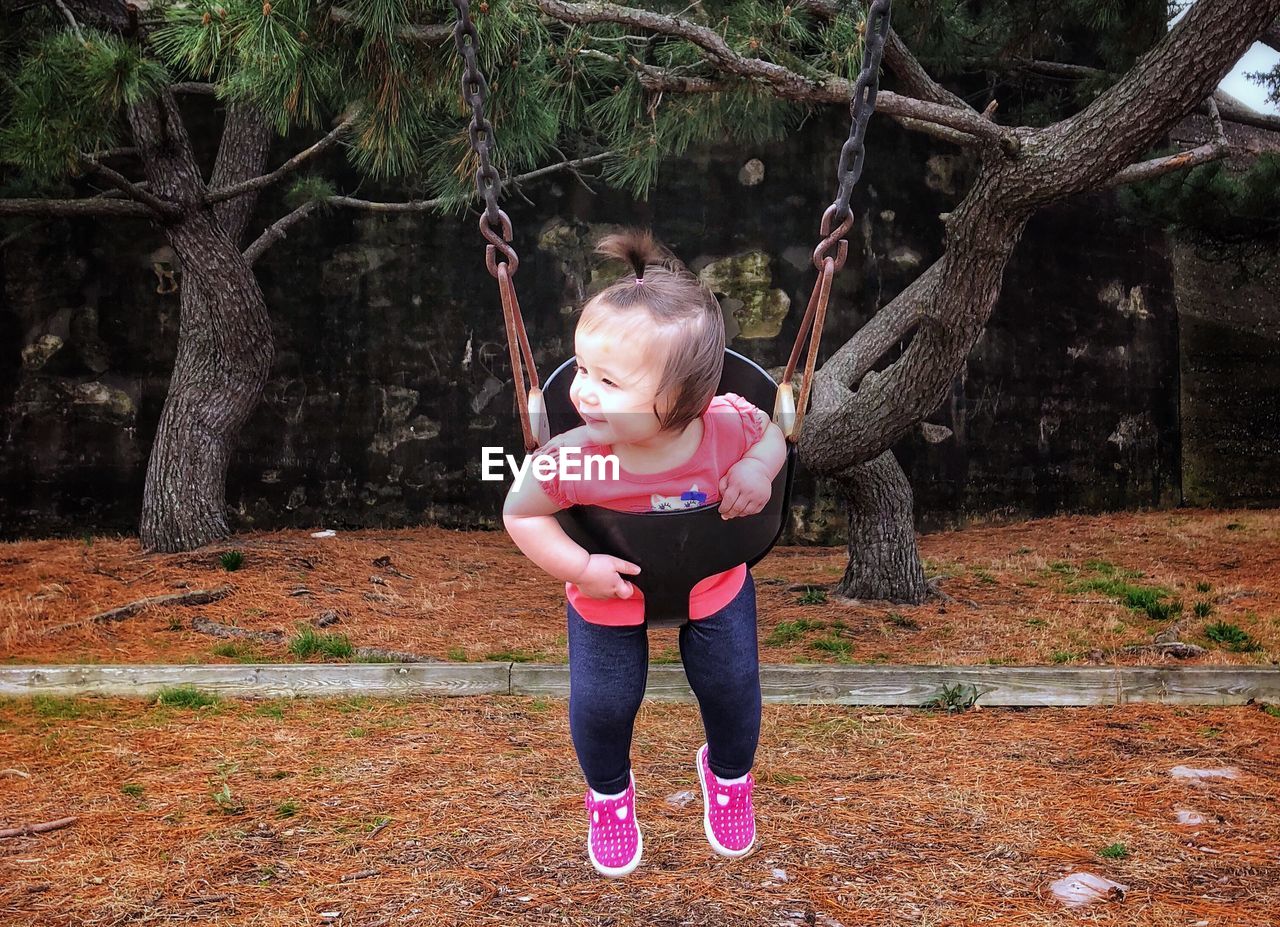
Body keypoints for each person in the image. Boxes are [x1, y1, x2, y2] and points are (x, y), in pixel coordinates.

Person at [502, 228, 788, 879]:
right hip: (609, 595)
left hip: (712, 580)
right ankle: (609, 795)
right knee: (603, 703)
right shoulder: (574, 456)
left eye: (609, 379)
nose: (582, 391)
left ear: (686, 402)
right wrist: (581, 567)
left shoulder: (727, 425)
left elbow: (776, 433)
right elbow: (521, 513)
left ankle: (729, 776)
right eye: (581, 367)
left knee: (732, 687)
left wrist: (760, 470)